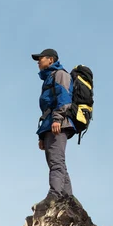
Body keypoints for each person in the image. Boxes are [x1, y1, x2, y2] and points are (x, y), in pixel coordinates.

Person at [31, 48, 75, 212]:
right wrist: (42, 135)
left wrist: (57, 119)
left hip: (58, 123)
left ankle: (54, 195)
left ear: (51, 59)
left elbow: (64, 99)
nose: (38, 61)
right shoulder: (49, 77)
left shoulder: (60, 74)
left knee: (57, 162)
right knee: (57, 162)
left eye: (40, 58)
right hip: (50, 125)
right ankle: (68, 199)